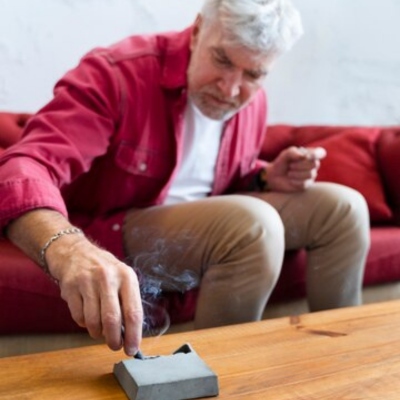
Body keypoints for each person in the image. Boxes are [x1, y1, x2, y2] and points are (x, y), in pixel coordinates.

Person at [0, 0, 370, 356]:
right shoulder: (117, 73)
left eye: (253, 74)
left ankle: (337, 365)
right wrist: (68, 249)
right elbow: (25, 166)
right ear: (197, 32)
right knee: (252, 225)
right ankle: (217, 378)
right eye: (222, 59)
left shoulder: (251, 102)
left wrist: (265, 177)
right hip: (116, 228)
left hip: (205, 226)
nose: (230, 89)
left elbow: (213, 179)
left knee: (343, 208)